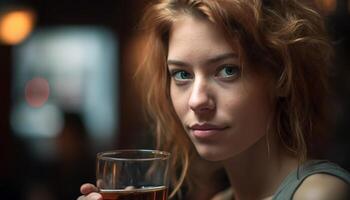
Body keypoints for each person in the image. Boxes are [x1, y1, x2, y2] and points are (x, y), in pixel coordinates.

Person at [78, 0, 350, 199]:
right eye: (182, 74)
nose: (197, 100)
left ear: (281, 77)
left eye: (227, 71)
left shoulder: (321, 193)